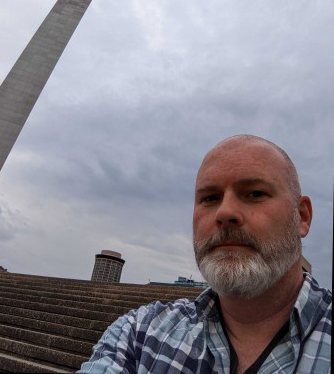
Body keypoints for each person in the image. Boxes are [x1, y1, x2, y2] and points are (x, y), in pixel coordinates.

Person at [78, 135, 331, 374]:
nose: (225, 212)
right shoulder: (137, 335)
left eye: (255, 194)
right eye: (210, 198)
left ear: (302, 216)